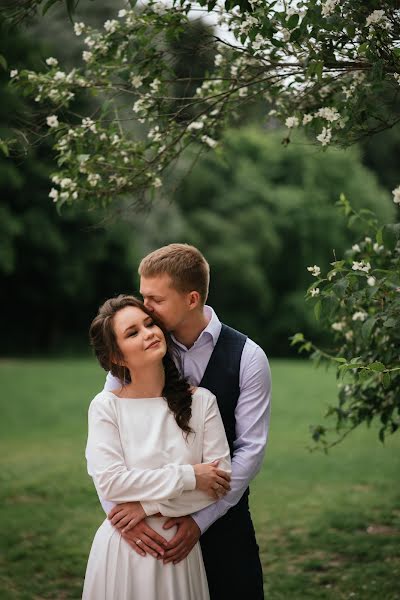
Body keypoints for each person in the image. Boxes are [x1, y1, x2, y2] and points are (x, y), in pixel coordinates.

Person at [104, 244, 272, 600]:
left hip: (225, 524)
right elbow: (109, 440)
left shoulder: (248, 358)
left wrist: (199, 521)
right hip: (146, 534)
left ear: (192, 298)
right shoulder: (140, 348)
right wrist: (123, 519)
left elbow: (250, 452)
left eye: (155, 299)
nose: (144, 308)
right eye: (143, 296)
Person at [83, 295, 232, 600]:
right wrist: (190, 476)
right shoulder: (106, 407)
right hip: (124, 553)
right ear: (116, 357)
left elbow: (218, 483)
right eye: (133, 332)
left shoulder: (202, 402)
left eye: (149, 324)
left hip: (178, 552)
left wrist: (147, 506)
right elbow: (112, 483)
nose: (148, 332)